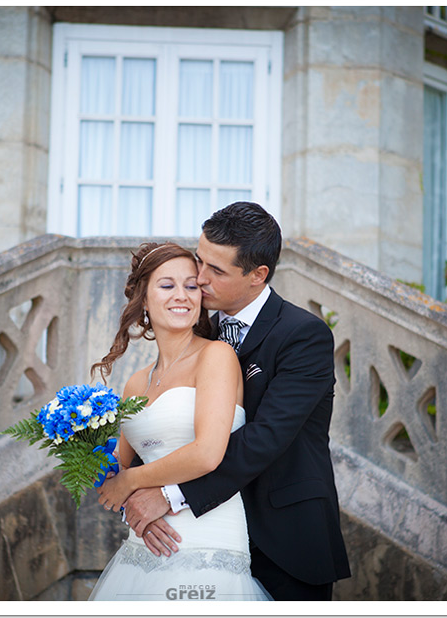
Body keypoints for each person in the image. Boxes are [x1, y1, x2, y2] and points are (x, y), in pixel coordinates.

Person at [122, 202, 351, 601]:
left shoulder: (304, 336)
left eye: (217, 271)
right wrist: (135, 498)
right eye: (200, 260)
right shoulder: (196, 325)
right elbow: (165, 426)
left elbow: (264, 438)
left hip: (283, 539)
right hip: (194, 533)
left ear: (257, 276)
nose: (199, 277)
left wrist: (167, 494)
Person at [86, 241, 272, 601]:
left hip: (207, 537)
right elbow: (114, 471)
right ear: (143, 299)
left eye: (191, 286)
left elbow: (206, 453)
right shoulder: (136, 382)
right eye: (167, 285)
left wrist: (130, 483)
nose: (182, 296)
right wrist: (136, 512)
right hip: (144, 542)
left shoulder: (216, 356)